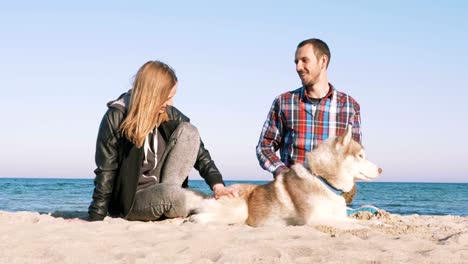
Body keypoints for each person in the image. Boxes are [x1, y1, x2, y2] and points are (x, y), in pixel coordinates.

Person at [88, 60, 238, 221]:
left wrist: (218, 186)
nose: (170, 103)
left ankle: (181, 203)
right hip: (132, 201)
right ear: (152, 95)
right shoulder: (116, 116)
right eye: (167, 98)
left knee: (189, 131)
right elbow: (106, 170)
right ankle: (179, 203)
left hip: (167, 189)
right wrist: (96, 215)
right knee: (175, 196)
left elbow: (200, 153)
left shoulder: (168, 113)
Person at [256, 38, 362, 204]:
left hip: (331, 198)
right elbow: (264, 146)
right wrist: (282, 172)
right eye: (296, 62)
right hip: (291, 198)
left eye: (304, 60)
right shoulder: (283, 102)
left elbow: (355, 156)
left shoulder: (349, 106)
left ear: (323, 61)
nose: (298, 67)